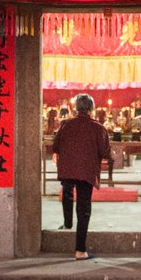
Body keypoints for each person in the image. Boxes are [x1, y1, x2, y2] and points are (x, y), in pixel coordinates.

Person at [51, 93, 110, 261]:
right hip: (86, 172)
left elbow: (56, 146)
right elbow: (105, 152)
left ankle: (68, 223)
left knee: (68, 193)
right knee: (83, 209)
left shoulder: (65, 125)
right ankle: (80, 250)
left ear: (75, 108)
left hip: (68, 170)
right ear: (91, 108)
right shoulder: (98, 127)